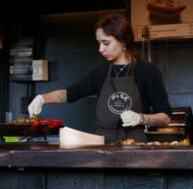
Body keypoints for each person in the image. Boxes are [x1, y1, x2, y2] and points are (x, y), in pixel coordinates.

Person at [28, 13, 172, 144]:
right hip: (103, 144)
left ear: (123, 40)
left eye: (106, 43)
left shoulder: (147, 72)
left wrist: (141, 118)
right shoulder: (100, 73)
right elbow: (69, 93)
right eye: (99, 43)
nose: (100, 49)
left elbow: (165, 118)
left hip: (135, 145)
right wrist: (42, 98)